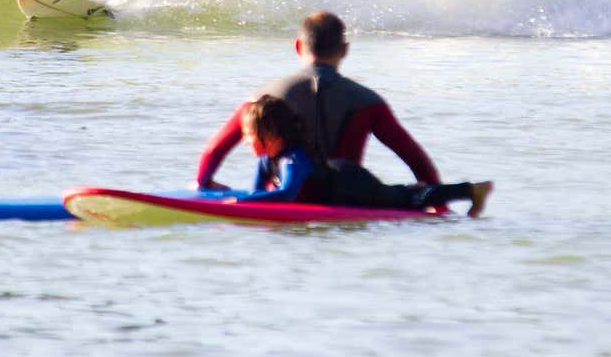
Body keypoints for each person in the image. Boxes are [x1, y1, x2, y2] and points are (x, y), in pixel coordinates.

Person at [195, 11, 491, 217]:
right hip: (348, 201)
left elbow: (213, 151)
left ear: (298, 46)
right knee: (402, 194)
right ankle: (454, 193)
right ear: (345, 49)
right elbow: (415, 159)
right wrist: (436, 205)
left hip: (305, 198)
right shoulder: (367, 100)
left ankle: (462, 191)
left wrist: (204, 184)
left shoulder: (262, 98)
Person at [238, 95, 487, 211]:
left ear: (272, 136)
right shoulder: (265, 161)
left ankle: (471, 190)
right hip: (336, 178)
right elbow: (256, 194)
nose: (245, 140)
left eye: (249, 134)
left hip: (350, 184)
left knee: (404, 199)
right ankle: (423, 189)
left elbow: (286, 194)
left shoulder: (294, 160)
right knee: (402, 195)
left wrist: (240, 203)